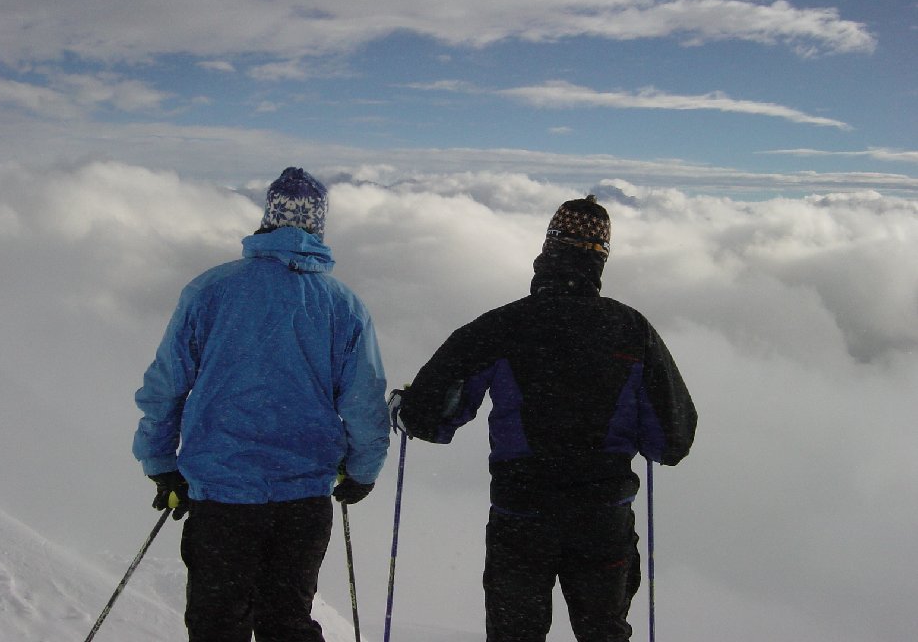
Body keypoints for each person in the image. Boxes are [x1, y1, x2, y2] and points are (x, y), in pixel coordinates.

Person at [393, 194, 697, 642]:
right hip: (602, 517)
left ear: (549, 248)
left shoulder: (504, 325)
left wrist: (406, 411)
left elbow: (430, 414)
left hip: (522, 512)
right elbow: (672, 440)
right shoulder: (632, 330)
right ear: (601, 259)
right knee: (604, 632)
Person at [133, 167, 390, 642]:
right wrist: (362, 470)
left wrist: (161, 462)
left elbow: (167, 385)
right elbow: (364, 401)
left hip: (222, 495)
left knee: (217, 622)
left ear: (268, 219)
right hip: (302, 498)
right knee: (287, 620)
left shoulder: (210, 291)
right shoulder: (342, 305)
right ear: (318, 225)